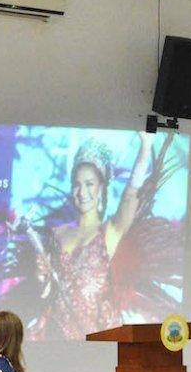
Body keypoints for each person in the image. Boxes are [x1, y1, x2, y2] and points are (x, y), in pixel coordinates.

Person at [39, 135, 153, 339]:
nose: (82, 192)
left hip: (94, 339)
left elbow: (129, 196)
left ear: (101, 188)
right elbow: (46, 291)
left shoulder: (109, 232)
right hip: (55, 339)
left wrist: (146, 147)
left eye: (89, 184)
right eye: (77, 184)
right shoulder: (57, 234)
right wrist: (42, 276)